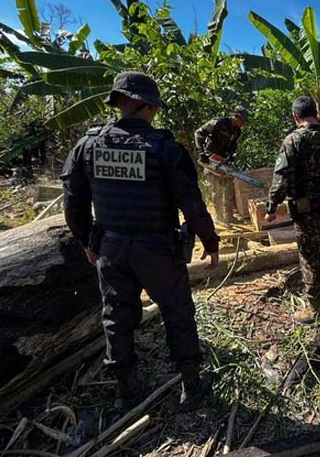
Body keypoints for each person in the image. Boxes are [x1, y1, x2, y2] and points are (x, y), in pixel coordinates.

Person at [61, 72, 220, 410]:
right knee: (177, 313)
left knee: (116, 317)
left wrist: (88, 242)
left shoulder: (88, 146)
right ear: (149, 107)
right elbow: (192, 207)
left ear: (118, 103)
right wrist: (211, 241)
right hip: (158, 250)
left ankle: (127, 389)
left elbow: (73, 203)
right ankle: (191, 386)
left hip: (111, 248)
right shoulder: (165, 148)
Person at [265, 96, 320, 323]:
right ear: (315, 113)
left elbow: (281, 179)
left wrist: (271, 207)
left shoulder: (293, 141)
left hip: (306, 212)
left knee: (308, 255)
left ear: (296, 117)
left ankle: (314, 308)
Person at [194, 107, 249, 223]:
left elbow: (234, 146)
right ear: (236, 117)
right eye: (242, 121)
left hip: (223, 160)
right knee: (216, 188)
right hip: (210, 158)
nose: (243, 124)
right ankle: (219, 217)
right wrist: (201, 152)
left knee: (228, 186)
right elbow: (199, 133)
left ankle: (229, 216)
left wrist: (231, 155)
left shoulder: (237, 131)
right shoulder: (218, 123)